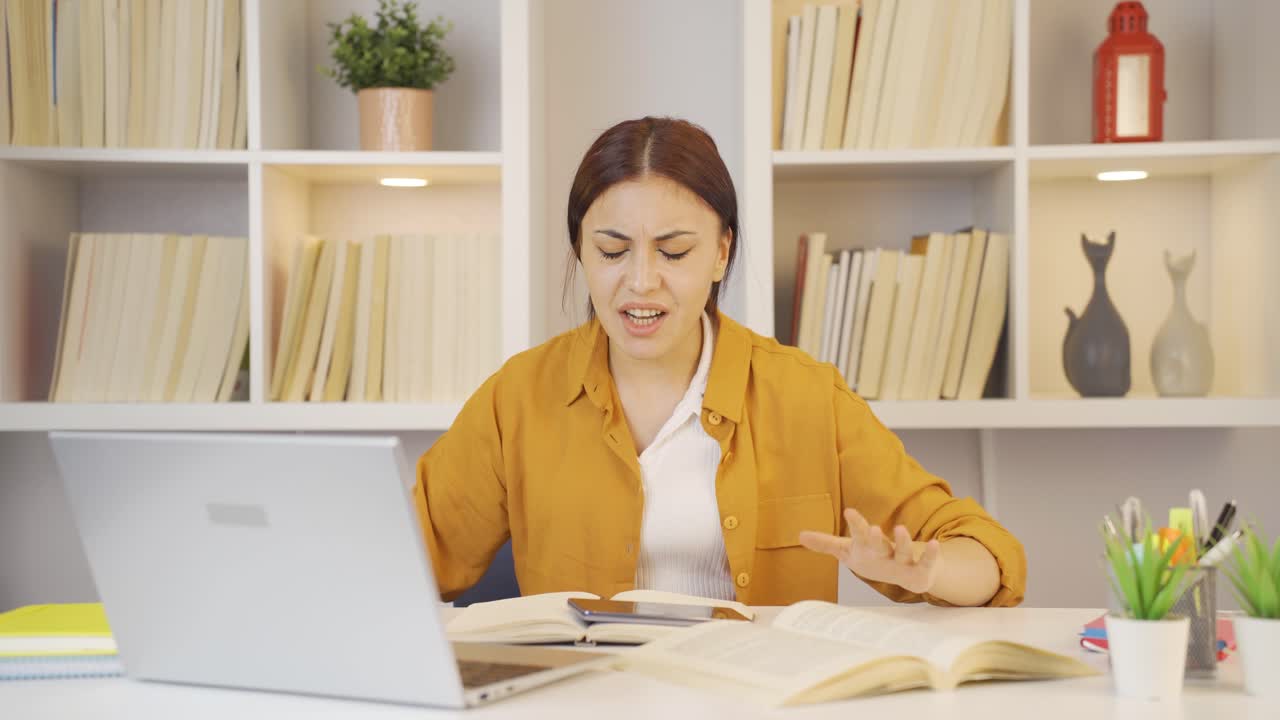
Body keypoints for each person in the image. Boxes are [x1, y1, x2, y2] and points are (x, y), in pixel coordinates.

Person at [412, 116, 1025, 608]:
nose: (641, 282)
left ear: (721, 253)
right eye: (612, 250)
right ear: (581, 249)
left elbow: (988, 555)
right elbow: (407, 557)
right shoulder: (517, 396)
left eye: (675, 252)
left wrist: (928, 571)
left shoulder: (805, 396)